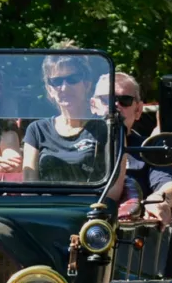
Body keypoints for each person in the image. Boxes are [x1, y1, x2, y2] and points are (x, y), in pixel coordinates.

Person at [23, 55, 124, 200]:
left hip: (90, 212)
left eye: (72, 79)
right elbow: (29, 189)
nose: (64, 87)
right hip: (45, 211)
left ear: (87, 84)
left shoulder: (109, 129)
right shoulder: (37, 130)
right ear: (49, 89)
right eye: (56, 81)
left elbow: (113, 190)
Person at [90, 71, 172, 225]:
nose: (115, 105)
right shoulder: (75, 145)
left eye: (125, 100)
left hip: (126, 236)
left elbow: (168, 184)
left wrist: (158, 199)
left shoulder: (148, 149)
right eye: (106, 99)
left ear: (138, 110)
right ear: (93, 106)